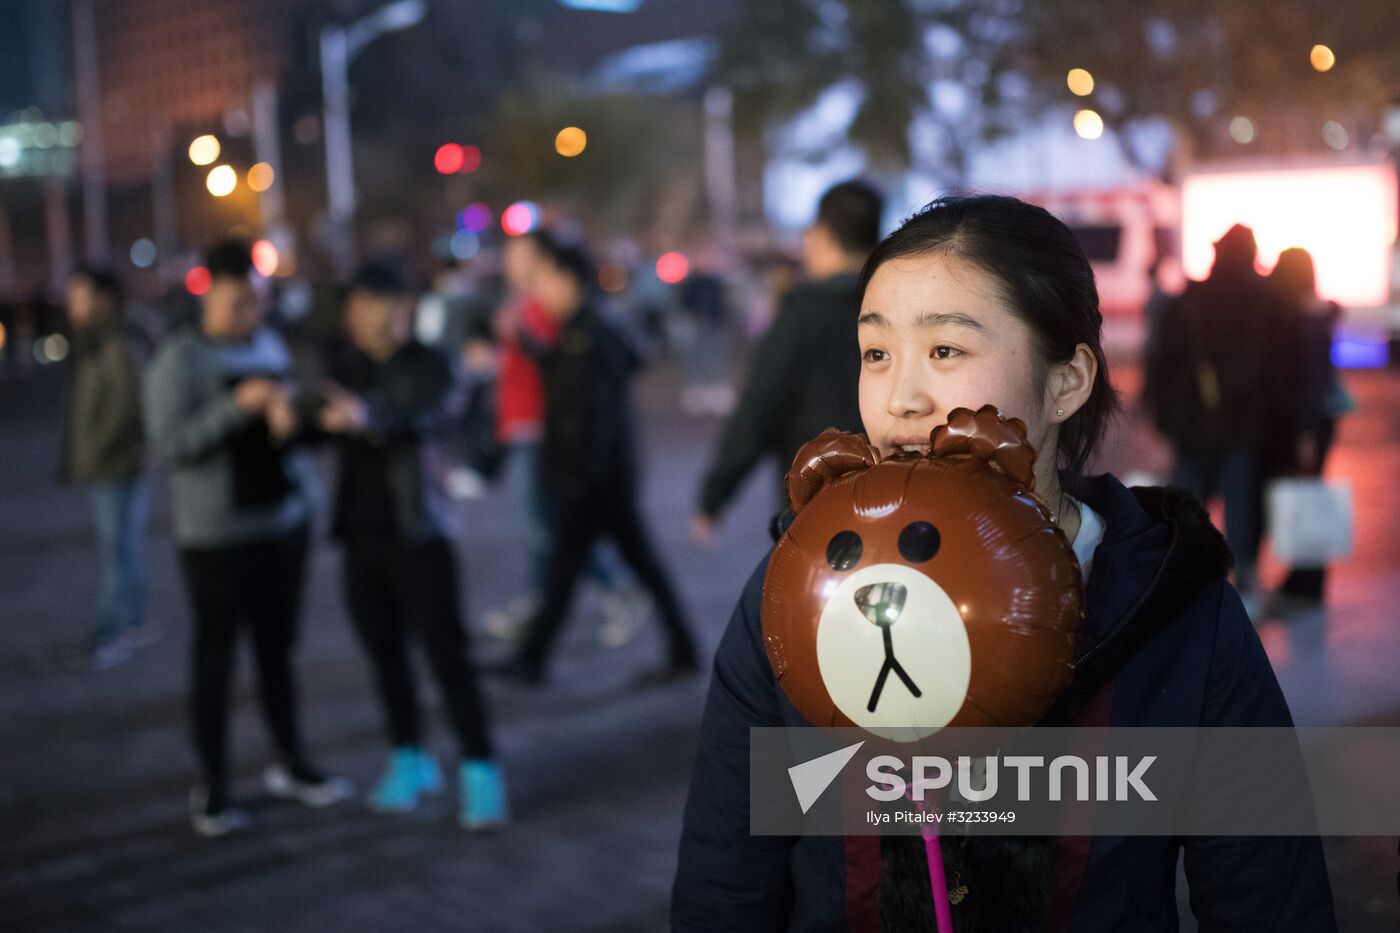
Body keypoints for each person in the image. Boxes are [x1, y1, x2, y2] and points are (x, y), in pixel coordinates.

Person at [673, 196, 1335, 930]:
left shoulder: (1178, 612)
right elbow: (723, 883)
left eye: (946, 350)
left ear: (1067, 380)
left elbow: (1271, 900)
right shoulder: (799, 596)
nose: (901, 399)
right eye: (876, 353)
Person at [145, 240, 351, 837]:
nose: (250, 315)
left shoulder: (269, 345)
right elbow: (169, 445)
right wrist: (235, 407)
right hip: (215, 536)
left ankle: (293, 763)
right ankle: (213, 785)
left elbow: (284, 431)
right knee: (215, 660)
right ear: (209, 291)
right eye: (239, 302)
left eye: (258, 302)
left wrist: (296, 421)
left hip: (283, 525)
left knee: (278, 653)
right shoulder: (179, 360)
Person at [310, 262, 508, 830]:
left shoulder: (431, 363)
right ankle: (410, 760)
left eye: (382, 304)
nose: (370, 316)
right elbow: (319, 419)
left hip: (420, 532)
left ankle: (481, 770)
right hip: (359, 533)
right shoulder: (345, 366)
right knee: (384, 655)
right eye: (362, 305)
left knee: (447, 657)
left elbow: (423, 417)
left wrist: (366, 416)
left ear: (402, 308)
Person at [493, 241, 699, 686]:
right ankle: (534, 658)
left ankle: (533, 659)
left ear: (568, 280)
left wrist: (576, 477)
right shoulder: (583, 328)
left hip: (592, 480)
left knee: (574, 569)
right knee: (580, 571)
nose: (539, 290)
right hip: (600, 477)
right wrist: (527, 344)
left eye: (545, 279)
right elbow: (563, 378)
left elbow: (593, 414)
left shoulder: (589, 332)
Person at [473, 230, 645, 647]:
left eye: (519, 255)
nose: (510, 262)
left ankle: (619, 589)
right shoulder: (520, 303)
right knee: (543, 530)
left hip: (539, 426)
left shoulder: (542, 306)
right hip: (520, 424)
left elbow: (556, 366)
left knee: (548, 530)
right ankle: (540, 605)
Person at [692, 180, 883, 545]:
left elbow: (759, 406)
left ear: (823, 234)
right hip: (895, 492)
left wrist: (714, 496)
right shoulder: (891, 304)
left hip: (818, 497)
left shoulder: (802, 314)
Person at [1143, 224, 1285, 607]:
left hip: (1192, 423)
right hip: (1242, 425)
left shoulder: (1189, 299)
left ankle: (1182, 584)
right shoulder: (1263, 301)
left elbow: (1161, 362)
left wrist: (1162, 415)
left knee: (1189, 508)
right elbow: (1271, 367)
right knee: (1241, 506)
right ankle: (1246, 587)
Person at [58, 267, 152, 670]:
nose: (72, 305)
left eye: (80, 296)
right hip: (110, 462)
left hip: (115, 464)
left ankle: (110, 631)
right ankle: (134, 621)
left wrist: (95, 449)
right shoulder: (100, 341)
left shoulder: (117, 344)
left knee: (117, 551)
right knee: (124, 549)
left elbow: (125, 408)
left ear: (104, 298)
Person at [1264, 247, 1350, 614]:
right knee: (1309, 498)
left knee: (1304, 500)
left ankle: (1306, 583)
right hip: (1318, 423)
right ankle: (1304, 580)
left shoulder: (1303, 319)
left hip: (1306, 425)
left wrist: (1304, 437)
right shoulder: (1317, 313)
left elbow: (1308, 382)